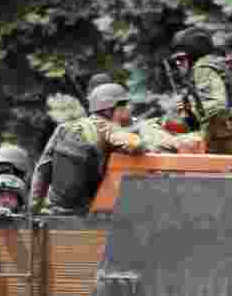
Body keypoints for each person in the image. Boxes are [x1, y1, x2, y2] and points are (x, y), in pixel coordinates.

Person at [29, 83, 153, 214]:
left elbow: (42, 169)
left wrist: (34, 207)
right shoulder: (106, 128)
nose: (126, 109)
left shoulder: (64, 128)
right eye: (122, 106)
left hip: (57, 207)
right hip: (86, 209)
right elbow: (137, 145)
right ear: (107, 110)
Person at [169, 27, 232, 155]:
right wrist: (188, 112)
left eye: (180, 60)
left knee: (152, 135)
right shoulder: (219, 64)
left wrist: (194, 110)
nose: (178, 65)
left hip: (229, 142)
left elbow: (215, 110)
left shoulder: (203, 68)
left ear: (193, 56)